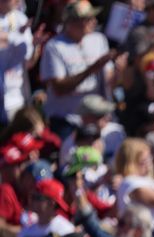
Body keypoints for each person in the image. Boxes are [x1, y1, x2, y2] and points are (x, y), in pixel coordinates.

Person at [39, 0, 118, 139]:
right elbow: (59, 88)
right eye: (88, 19)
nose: (94, 21)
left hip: (95, 117)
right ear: (72, 22)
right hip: (66, 119)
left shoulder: (98, 39)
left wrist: (119, 71)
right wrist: (91, 69)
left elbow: (109, 80)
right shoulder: (54, 46)